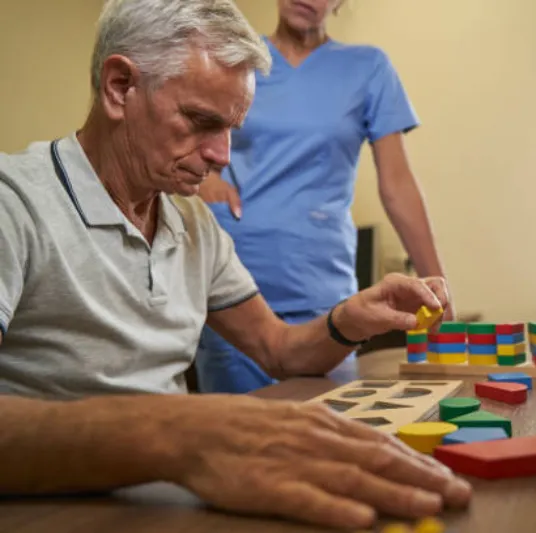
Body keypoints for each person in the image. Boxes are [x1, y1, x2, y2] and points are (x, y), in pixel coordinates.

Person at [0, 0, 471, 529]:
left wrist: (347, 320)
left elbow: (278, 349)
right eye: (201, 122)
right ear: (119, 87)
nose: (223, 156)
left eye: (233, 130)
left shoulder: (193, 225)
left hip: (163, 508)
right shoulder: (13, 204)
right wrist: (182, 434)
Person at [195, 0, 453, 393]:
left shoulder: (369, 68)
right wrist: (206, 179)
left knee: (322, 439)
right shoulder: (238, 60)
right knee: (233, 444)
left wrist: (437, 284)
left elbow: (398, 184)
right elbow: (189, 130)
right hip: (233, 288)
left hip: (319, 288)